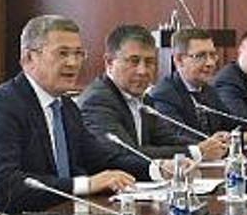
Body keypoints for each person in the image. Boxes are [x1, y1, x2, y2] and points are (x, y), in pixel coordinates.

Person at [0, 15, 158, 214]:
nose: (73, 63)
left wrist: (157, 169)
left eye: (78, 54)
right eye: (62, 53)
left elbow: (101, 160)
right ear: (29, 58)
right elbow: (5, 185)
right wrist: (86, 184)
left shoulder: (66, 107)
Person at [78, 25, 229, 163]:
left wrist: (209, 145)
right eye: (134, 61)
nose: (143, 71)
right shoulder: (98, 101)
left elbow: (166, 139)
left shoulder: (145, 100)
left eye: (149, 62)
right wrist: (197, 151)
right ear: (109, 62)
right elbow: (124, 153)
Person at [147, 27, 240, 138]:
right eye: (200, 56)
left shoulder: (209, 90)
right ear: (179, 60)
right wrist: (215, 141)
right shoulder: (163, 95)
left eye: (212, 55)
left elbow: (232, 124)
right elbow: (177, 137)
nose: (210, 63)